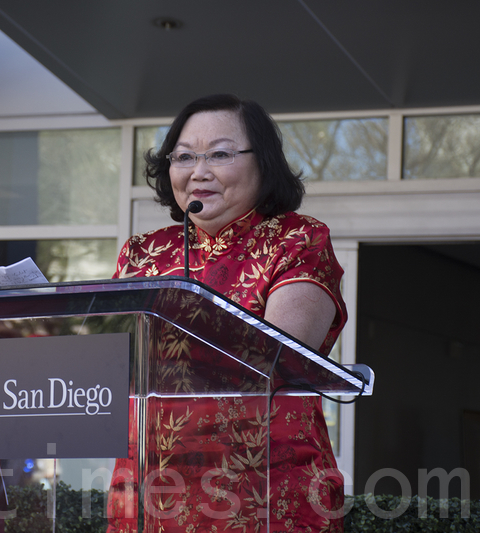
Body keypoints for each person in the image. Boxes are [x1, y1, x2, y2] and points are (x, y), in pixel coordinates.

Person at [107, 94, 348, 532]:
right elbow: (109, 360)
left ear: (264, 163)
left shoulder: (297, 239)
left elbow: (276, 356)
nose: (199, 171)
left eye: (219, 154)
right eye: (183, 157)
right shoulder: (143, 252)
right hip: (149, 486)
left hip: (263, 487)